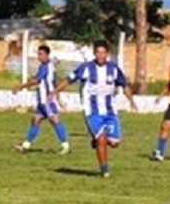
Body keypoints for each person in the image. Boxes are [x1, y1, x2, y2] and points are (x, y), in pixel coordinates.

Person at [53, 40, 138, 178]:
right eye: (98, 52)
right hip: (92, 111)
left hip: (110, 111)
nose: (100, 55)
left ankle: (96, 141)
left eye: (103, 52)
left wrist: (132, 101)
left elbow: (124, 85)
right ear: (94, 53)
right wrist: (55, 92)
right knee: (102, 138)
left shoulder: (114, 69)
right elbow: (69, 79)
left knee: (115, 142)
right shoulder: (86, 68)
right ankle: (104, 170)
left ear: (107, 54)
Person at [12, 45, 70, 154]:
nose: (39, 56)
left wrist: (20, 87)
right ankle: (26, 146)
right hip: (42, 101)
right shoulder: (49, 66)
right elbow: (54, 83)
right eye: (38, 54)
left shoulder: (45, 67)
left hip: (47, 101)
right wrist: (58, 98)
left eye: (41, 54)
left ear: (47, 55)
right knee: (35, 120)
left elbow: (36, 81)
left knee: (54, 121)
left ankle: (65, 146)